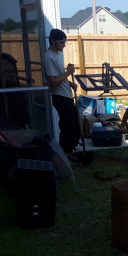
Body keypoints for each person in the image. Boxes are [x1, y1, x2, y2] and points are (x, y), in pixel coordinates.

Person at [43, 29, 81, 167]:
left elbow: (59, 76)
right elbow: (52, 81)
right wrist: (69, 72)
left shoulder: (57, 55)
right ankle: (64, 156)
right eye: (61, 42)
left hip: (66, 95)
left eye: (65, 42)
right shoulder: (49, 58)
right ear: (52, 41)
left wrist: (69, 83)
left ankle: (69, 151)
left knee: (74, 124)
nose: (64, 45)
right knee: (67, 127)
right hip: (60, 97)